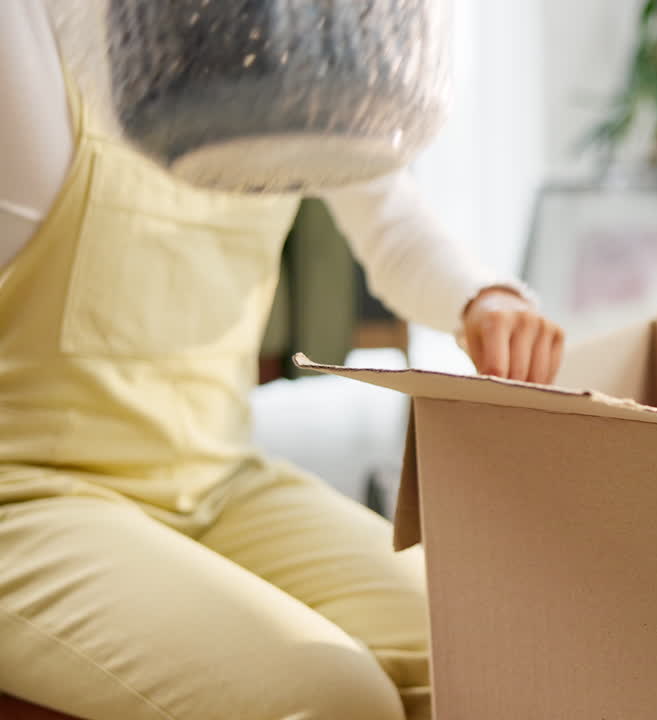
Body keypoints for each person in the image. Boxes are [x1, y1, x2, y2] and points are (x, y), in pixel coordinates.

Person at [0, 2, 563, 718]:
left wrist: (481, 297)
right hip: (27, 500)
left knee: (501, 646)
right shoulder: (28, 31)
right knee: (336, 701)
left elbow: (387, 213)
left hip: (220, 481)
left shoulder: (268, 55)